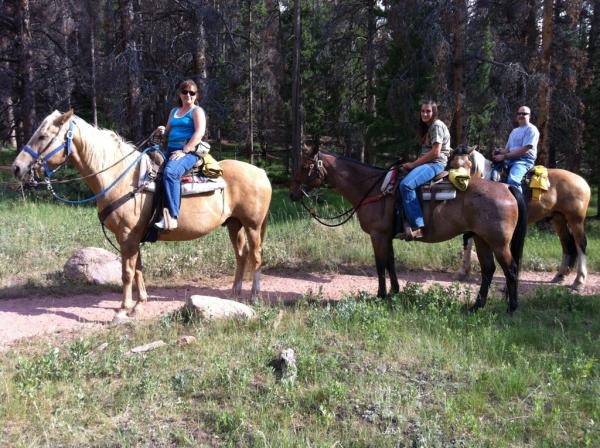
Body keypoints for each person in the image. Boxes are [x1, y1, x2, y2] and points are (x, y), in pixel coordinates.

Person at [154, 79, 207, 230]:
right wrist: (162, 131)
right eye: (185, 92)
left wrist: (184, 150)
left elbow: (199, 133)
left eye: (192, 93)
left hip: (190, 151)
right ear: (180, 94)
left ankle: (172, 216)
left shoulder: (197, 111)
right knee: (148, 165)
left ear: (196, 95)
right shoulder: (174, 111)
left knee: (170, 173)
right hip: (170, 149)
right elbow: (168, 131)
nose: (188, 95)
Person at [398, 100, 451, 240]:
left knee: (406, 185)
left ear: (434, 112)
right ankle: (402, 221)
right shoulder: (429, 127)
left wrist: (413, 164)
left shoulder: (436, 125)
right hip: (429, 163)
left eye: (428, 111)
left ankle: (418, 226)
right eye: (423, 111)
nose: (425, 114)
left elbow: (435, 152)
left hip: (435, 164)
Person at [490, 105, 539, 192]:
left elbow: (525, 149)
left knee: (513, 181)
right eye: (519, 113)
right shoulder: (514, 131)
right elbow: (508, 149)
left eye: (524, 114)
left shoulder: (531, 129)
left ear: (529, 116)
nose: (521, 115)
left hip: (524, 161)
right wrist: (498, 151)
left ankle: (519, 205)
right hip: (510, 159)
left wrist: (504, 157)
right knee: (491, 176)